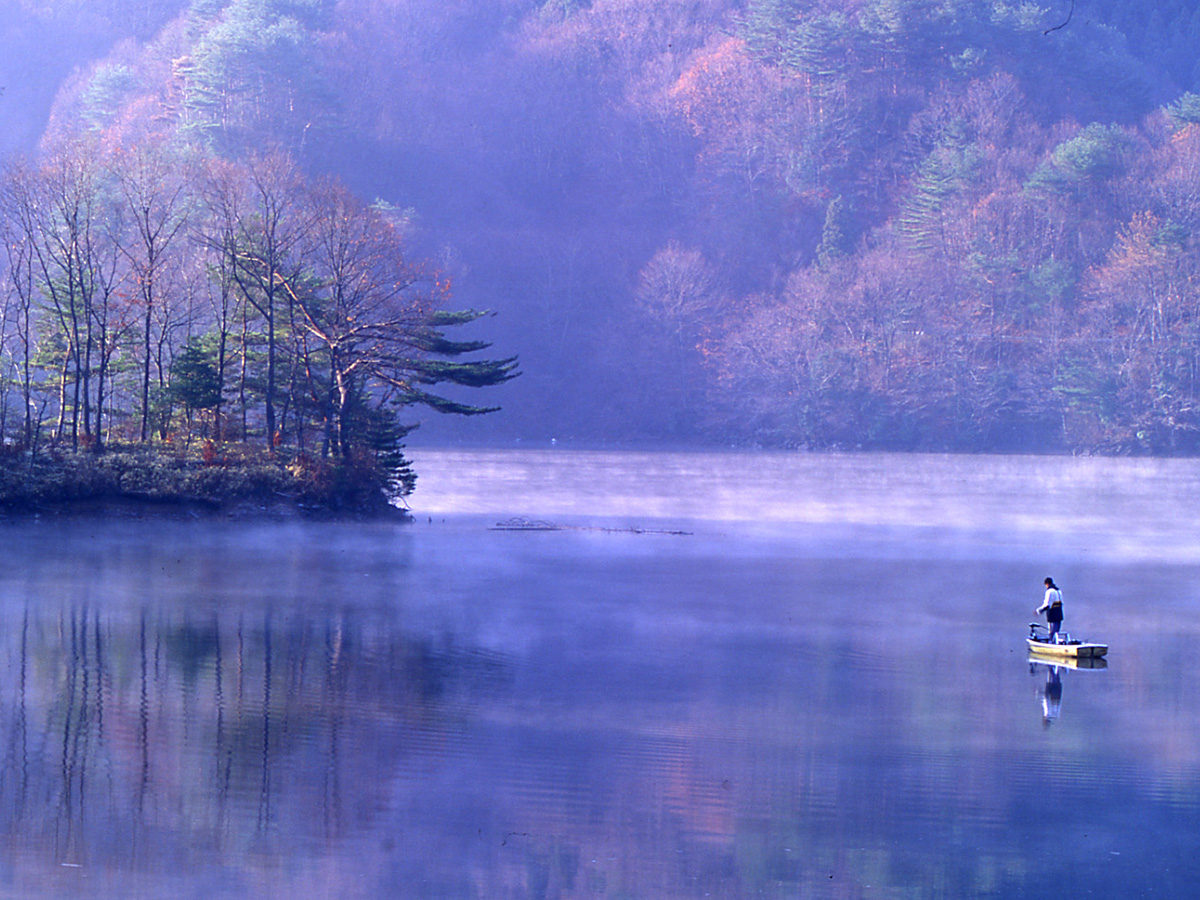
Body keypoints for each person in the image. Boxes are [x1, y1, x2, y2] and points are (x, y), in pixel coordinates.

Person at [1035, 577, 1064, 643]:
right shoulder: (1059, 591)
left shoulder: (1049, 591)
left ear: (1046, 584)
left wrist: (1038, 611)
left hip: (1052, 614)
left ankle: (1052, 643)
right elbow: (1062, 603)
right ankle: (1055, 642)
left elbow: (1047, 605)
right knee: (1056, 631)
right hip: (1059, 613)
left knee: (1051, 631)